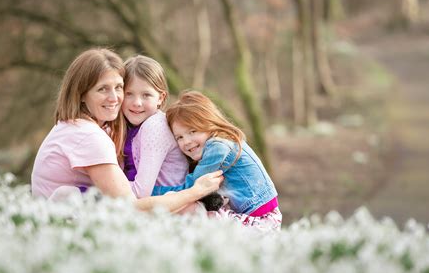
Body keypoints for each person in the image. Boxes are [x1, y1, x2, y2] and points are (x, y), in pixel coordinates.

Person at [31, 48, 223, 213]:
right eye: (102, 89)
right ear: (81, 94)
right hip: (62, 222)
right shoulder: (89, 136)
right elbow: (131, 207)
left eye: (118, 87)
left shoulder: (74, 126)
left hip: (58, 219)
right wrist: (195, 192)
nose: (114, 97)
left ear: (161, 97)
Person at [153, 90, 282, 229]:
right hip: (252, 213)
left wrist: (152, 193)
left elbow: (192, 189)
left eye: (192, 131)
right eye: (179, 137)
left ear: (209, 123)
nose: (187, 142)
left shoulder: (218, 147)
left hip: (261, 221)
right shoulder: (219, 143)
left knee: (185, 207)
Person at [120, 55, 189, 198]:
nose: (137, 102)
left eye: (146, 95)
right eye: (129, 94)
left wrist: (104, 186)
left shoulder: (155, 126)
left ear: (160, 98)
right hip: (144, 203)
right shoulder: (127, 126)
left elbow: (141, 193)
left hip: (169, 205)